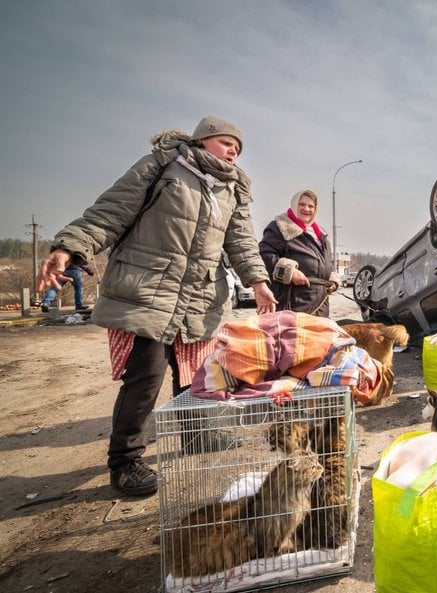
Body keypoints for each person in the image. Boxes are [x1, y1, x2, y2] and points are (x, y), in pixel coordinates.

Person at [36, 115, 278, 497]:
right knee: (145, 378)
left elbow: (241, 241)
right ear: (202, 140)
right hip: (148, 289)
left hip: (199, 298)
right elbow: (110, 213)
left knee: (195, 376)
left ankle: (199, 437)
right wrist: (69, 247)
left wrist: (259, 283)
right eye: (227, 142)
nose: (235, 150)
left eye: (239, 147)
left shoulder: (233, 189)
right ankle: (125, 461)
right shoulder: (163, 166)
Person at [258, 189, 339, 317]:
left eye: (311, 206)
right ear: (295, 205)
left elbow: (328, 262)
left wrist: (332, 278)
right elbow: (264, 255)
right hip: (293, 303)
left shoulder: (321, 234)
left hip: (320, 304)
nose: (306, 209)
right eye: (302, 204)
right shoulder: (280, 227)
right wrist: (289, 271)